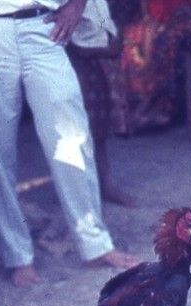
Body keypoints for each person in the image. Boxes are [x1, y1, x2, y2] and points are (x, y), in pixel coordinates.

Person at [0, 0, 140, 288]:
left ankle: (95, 244)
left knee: (72, 136)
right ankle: (17, 256)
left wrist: (77, 5)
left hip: (43, 25)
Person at [67, 0, 134, 205]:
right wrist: (102, 52)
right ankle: (86, 197)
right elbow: (71, 44)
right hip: (82, 66)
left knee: (99, 132)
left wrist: (113, 37)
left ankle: (105, 187)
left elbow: (102, 19)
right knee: (80, 132)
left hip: (100, 62)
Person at [118, 0, 191, 131]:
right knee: (132, 35)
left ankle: (155, 106)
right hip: (155, 16)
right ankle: (133, 107)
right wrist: (147, 16)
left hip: (186, 12)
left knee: (165, 40)